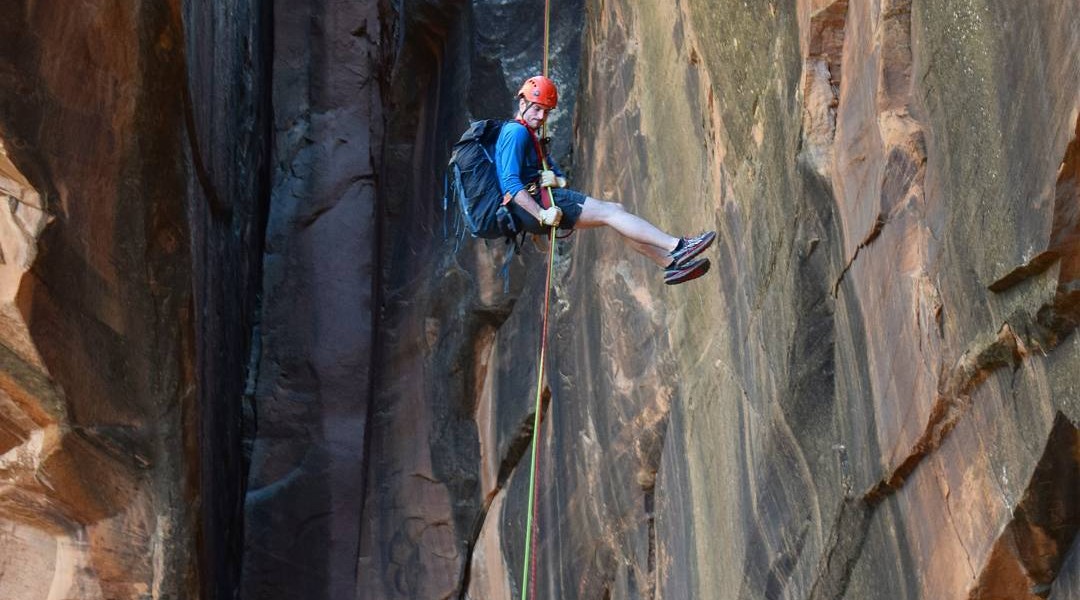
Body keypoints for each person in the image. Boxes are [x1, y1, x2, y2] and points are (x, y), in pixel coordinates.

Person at [496, 75, 716, 285]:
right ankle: (677, 246)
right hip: (537, 205)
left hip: (539, 203)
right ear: (522, 102)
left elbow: (543, 172)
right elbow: (510, 183)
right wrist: (541, 214)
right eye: (536, 109)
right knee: (611, 213)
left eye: (546, 112)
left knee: (615, 212)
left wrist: (557, 180)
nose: (541, 117)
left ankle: (671, 263)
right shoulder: (516, 132)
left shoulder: (528, 133)